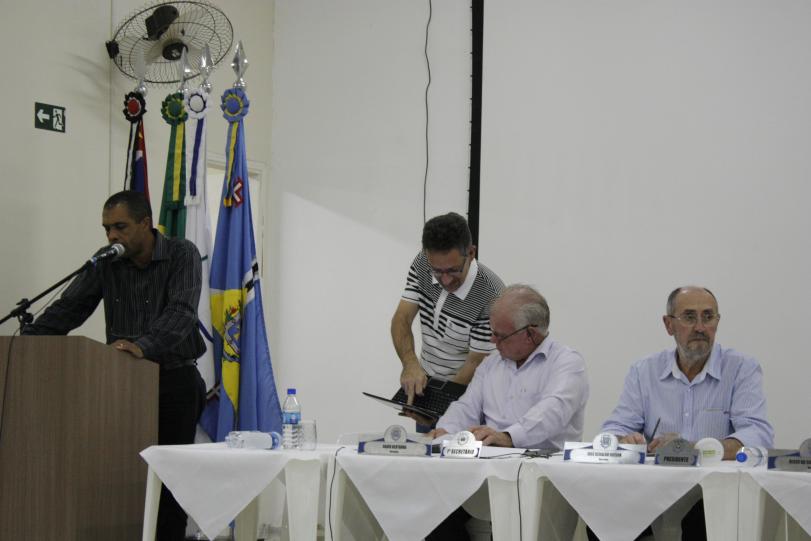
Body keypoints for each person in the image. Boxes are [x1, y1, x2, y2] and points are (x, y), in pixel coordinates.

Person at [23, 190, 206, 541]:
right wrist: (25, 342)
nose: (111, 236)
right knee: (122, 477)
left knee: (169, 484)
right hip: (121, 385)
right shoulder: (106, 262)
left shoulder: (182, 254)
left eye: (120, 227)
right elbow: (69, 309)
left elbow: (181, 313)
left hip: (175, 383)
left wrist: (143, 346)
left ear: (145, 223)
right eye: (107, 229)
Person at [594, 285, 774, 541]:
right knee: (602, 515)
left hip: (714, 488)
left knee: (702, 521)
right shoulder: (644, 371)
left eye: (708, 317)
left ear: (717, 322)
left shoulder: (741, 368)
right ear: (669, 325)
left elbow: (757, 434)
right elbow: (614, 427)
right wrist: (624, 439)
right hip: (653, 486)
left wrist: (696, 448)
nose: (700, 327)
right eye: (689, 317)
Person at [426, 284, 589, 541]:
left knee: (511, 523)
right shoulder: (491, 364)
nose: (492, 341)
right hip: (485, 472)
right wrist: (446, 429)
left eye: (500, 335)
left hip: (540, 477)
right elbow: (466, 406)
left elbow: (553, 412)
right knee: (427, 511)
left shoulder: (567, 362)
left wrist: (509, 437)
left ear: (530, 334)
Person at [391, 212, 504, 408]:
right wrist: (410, 364)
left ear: (471, 253)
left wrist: (437, 407)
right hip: (428, 387)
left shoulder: (491, 296)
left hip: (469, 400)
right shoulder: (422, 263)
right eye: (437, 270)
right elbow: (402, 318)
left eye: (453, 270)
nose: (445, 280)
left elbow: (475, 364)